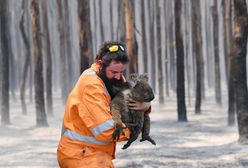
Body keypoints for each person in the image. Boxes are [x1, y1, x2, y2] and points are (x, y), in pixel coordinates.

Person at [57, 41, 151, 168]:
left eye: (121, 72)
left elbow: (133, 101)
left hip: (95, 154)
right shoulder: (91, 85)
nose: (119, 77)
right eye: (114, 72)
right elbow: (106, 130)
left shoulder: (113, 77)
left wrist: (146, 107)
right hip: (79, 155)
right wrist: (134, 130)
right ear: (101, 64)